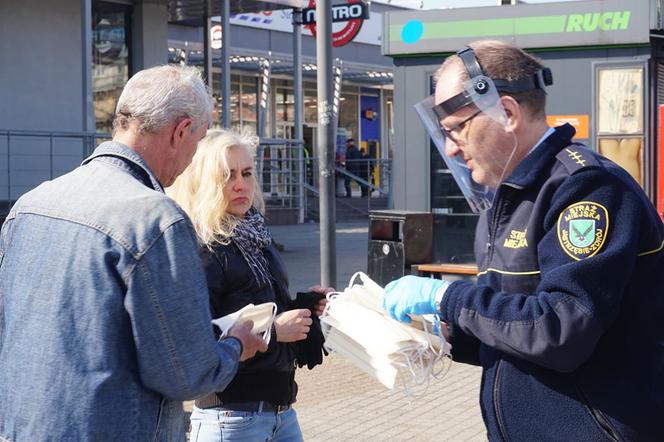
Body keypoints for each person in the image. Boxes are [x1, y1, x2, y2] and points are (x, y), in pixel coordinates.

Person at [383, 40, 664, 440]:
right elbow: (514, 326)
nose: (449, 148)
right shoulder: (506, 199)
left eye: (456, 130)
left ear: (508, 112)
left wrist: (450, 298)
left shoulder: (585, 189)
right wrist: (444, 334)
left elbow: (561, 331)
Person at [0, 65, 267, 442]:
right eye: (197, 140)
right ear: (180, 132)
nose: (193, 158)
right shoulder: (156, 219)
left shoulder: (30, 204)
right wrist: (236, 343)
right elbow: (187, 372)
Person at [167, 129, 331, 442]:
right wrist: (272, 331)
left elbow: (267, 307)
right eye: (227, 176)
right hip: (230, 417)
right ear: (203, 183)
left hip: (282, 412)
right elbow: (198, 342)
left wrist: (308, 307)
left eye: (246, 173)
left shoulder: (256, 235)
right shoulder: (203, 249)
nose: (241, 185)